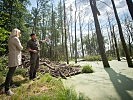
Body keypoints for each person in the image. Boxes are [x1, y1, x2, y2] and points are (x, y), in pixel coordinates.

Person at [4, 28, 23, 95]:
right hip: (14, 57)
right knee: (11, 72)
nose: (20, 34)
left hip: (12, 56)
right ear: (16, 32)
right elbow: (20, 48)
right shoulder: (15, 39)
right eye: (19, 33)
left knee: (11, 71)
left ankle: (11, 84)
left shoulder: (10, 39)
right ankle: (7, 89)